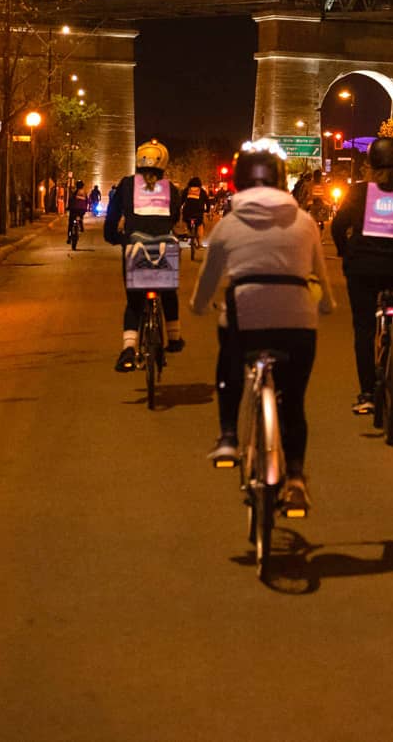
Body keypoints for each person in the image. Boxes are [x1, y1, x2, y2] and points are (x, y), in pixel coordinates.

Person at [190, 141, 337, 515]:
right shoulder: (305, 222)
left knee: (230, 355)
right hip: (298, 322)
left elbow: (208, 281)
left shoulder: (227, 224)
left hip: (247, 315)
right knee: (294, 402)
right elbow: (320, 275)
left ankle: (227, 436)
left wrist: (198, 306)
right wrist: (326, 304)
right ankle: (297, 478)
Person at [330, 136, 393, 415]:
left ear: (370, 164)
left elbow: (338, 226)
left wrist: (344, 250)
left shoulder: (359, 192)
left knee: (363, 330)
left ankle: (366, 393)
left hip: (361, 268)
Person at [103, 141, 185, 370]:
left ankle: (128, 349)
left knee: (134, 303)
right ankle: (175, 338)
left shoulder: (127, 186)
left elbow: (112, 216)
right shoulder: (172, 189)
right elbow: (173, 219)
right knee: (168, 292)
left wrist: (113, 237)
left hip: (134, 249)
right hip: (163, 250)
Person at [179, 176, 210, 241]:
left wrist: (179, 207)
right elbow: (207, 201)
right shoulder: (202, 191)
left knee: (187, 222)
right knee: (200, 224)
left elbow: (181, 201)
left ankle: (189, 233)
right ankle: (200, 242)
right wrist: (207, 210)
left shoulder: (186, 190)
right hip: (198, 212)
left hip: (187, 212)